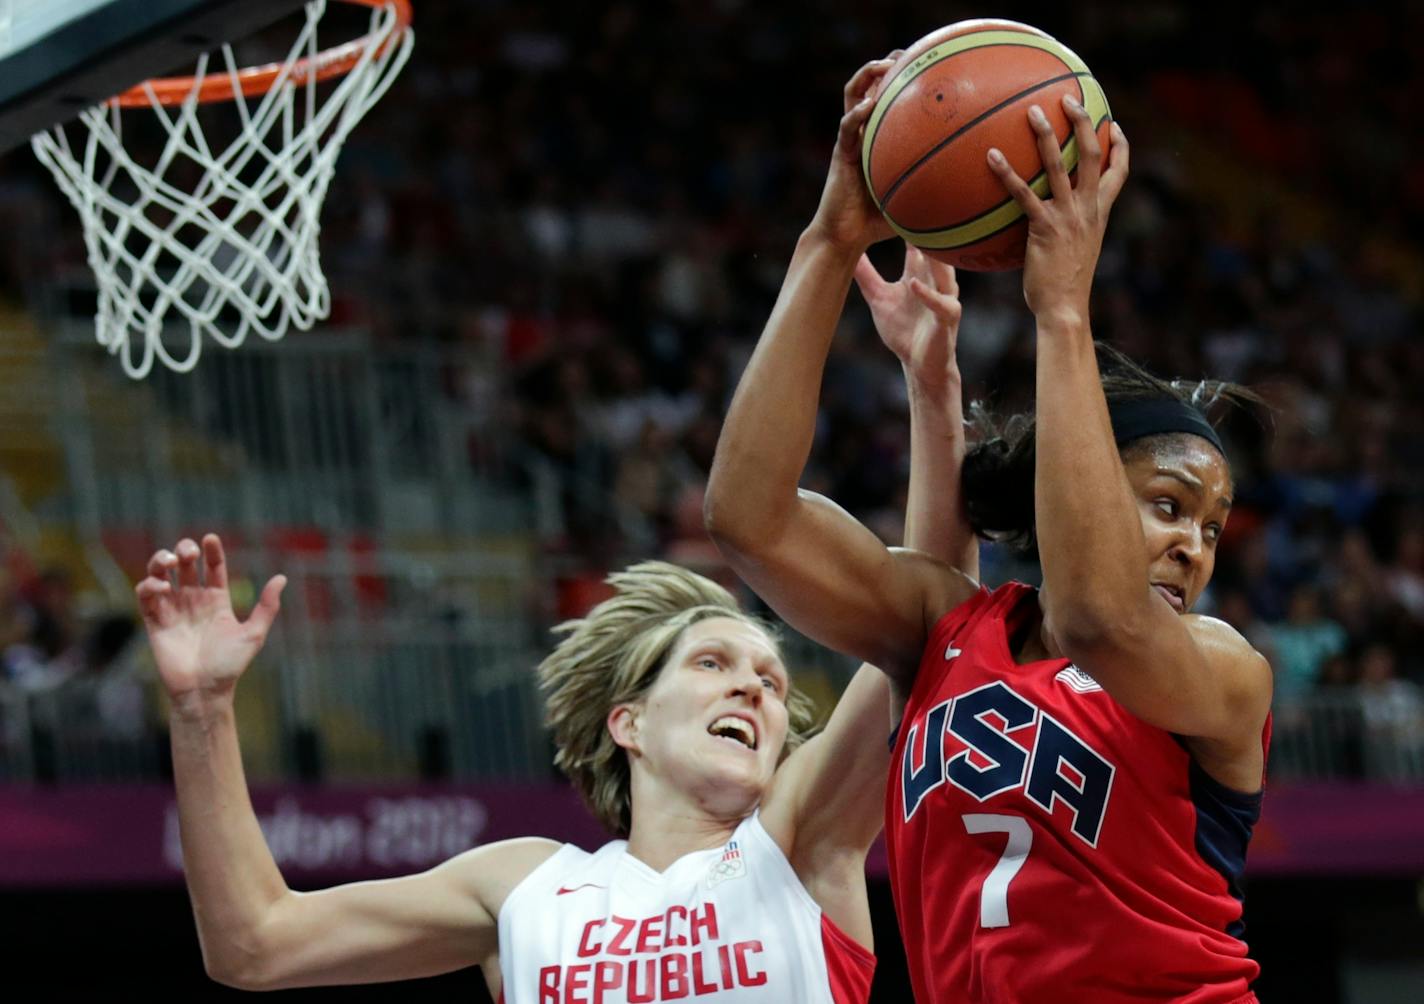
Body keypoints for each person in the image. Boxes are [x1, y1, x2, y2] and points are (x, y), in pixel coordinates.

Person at [133, 166, 970, 1001]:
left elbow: (935, 628)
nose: (754, 687)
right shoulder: (522, 887)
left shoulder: (796, 840)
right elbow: (255, 942)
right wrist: (202, 708)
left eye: (771, 682)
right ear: (628, 721)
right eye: (714, 663)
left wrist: (933, 391)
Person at [705, 57, 1273, 1003]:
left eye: (1213, 528)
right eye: (1168, 505)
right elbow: (749, 519)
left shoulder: (1220, 670)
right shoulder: (949, 630)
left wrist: (1061, 308)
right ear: (1074, 480)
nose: (1195, 545)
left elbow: (1099, 620)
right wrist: (831, 239)